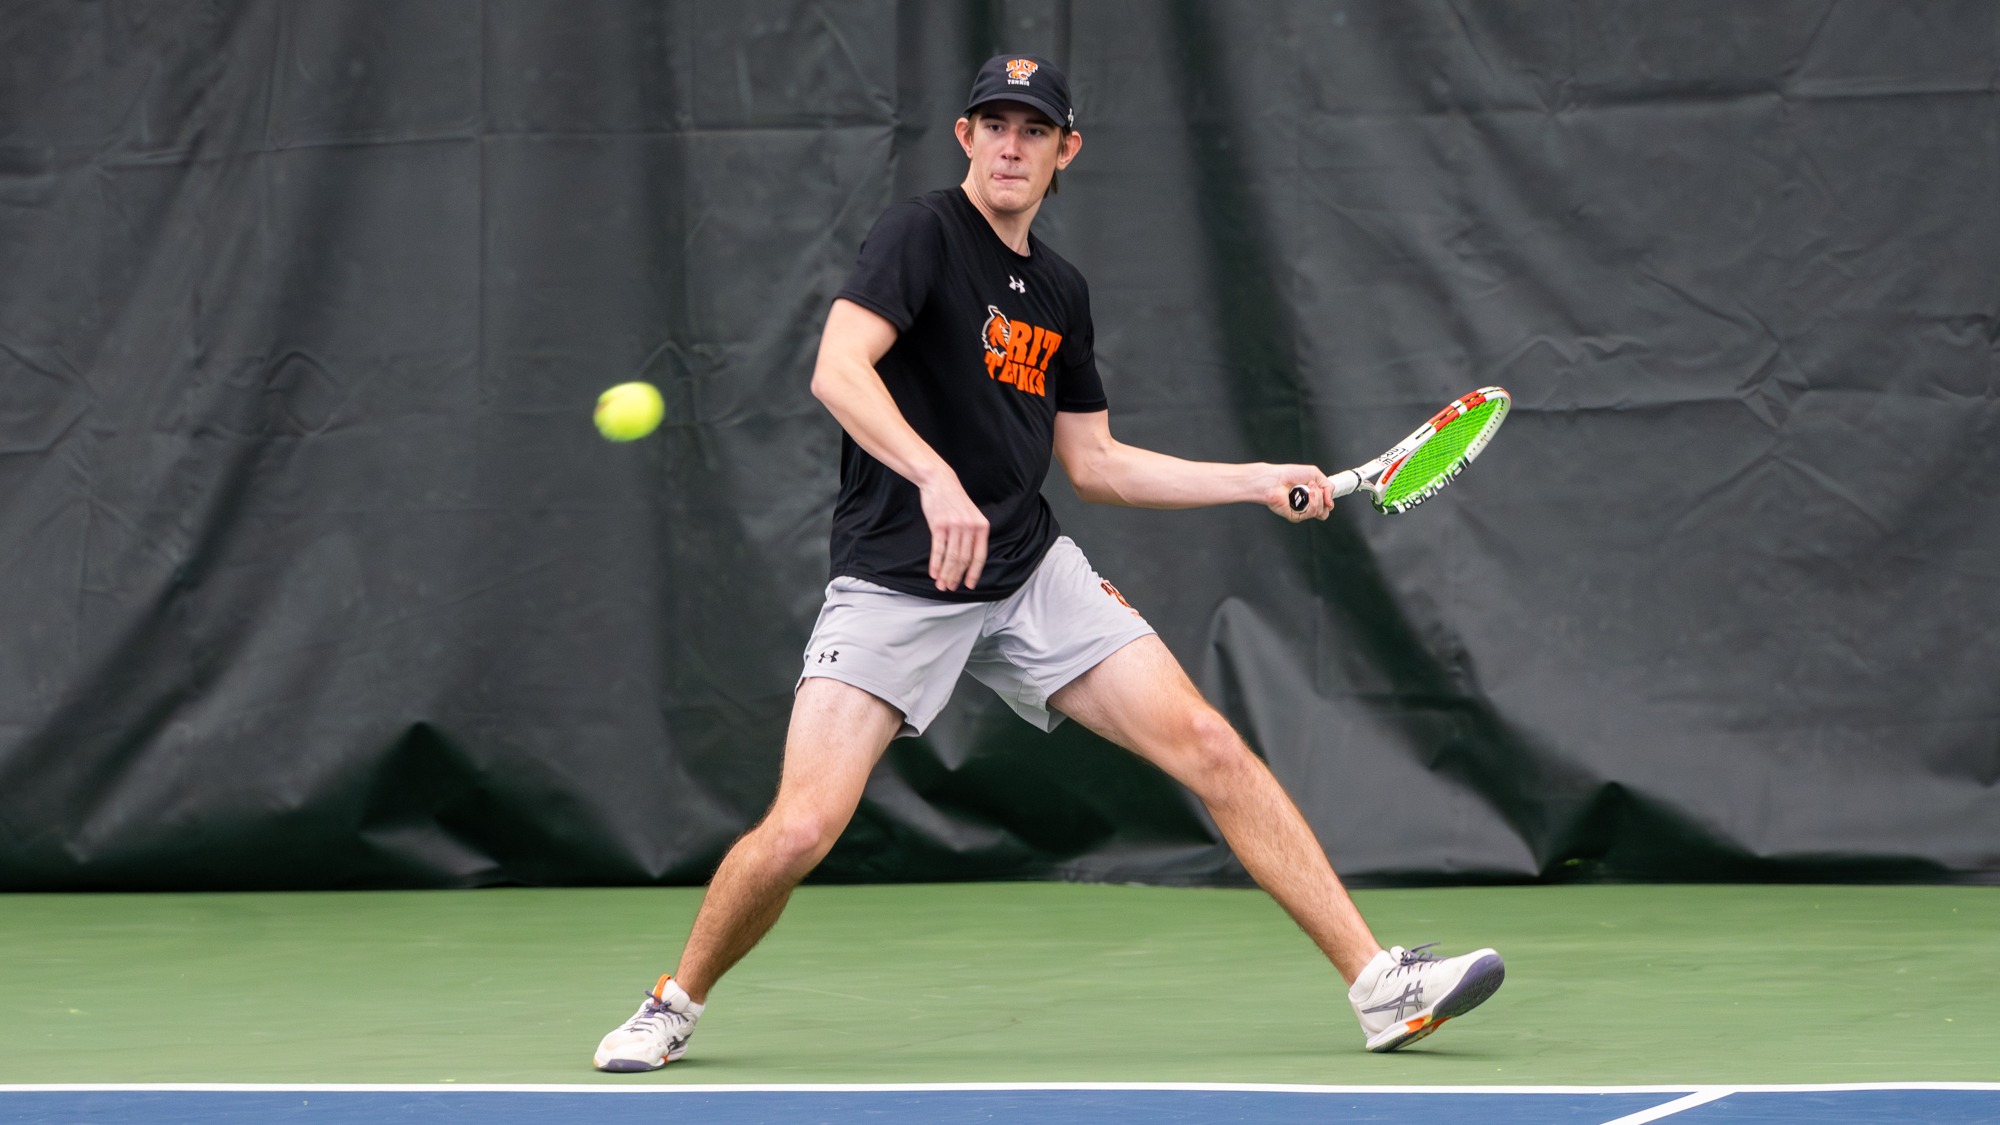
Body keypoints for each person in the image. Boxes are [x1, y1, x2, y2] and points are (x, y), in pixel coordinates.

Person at [593, 53, 1503, 1071]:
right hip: (896, 579)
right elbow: (836, 370)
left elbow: (1096, 464)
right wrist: (934, 479)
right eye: (993, 125)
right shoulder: (920, 235)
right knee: (803, 825)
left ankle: (1378, 984)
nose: (1010, 145)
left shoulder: (1059, 291)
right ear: (964, 137)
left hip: (1027, 573)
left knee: (1207, 744)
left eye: (1032, 130)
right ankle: (674, 1001)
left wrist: (1249, 477)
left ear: (1065, 149)